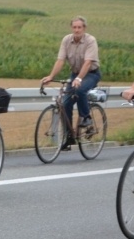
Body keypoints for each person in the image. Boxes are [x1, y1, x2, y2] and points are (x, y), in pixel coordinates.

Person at [40, 16, 101, 150]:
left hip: (91, 74)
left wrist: (79, 79)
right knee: (65, 104)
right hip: (75, 73)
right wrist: (51, 76)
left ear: (84, 28)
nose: (77, 30)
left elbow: (88, 62)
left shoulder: (90, 40)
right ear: (71, 28)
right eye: (74, 27)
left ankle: (86, 118)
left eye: (79, 27)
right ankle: (69, 137)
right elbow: (61, 60)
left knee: (80, 90)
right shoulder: (67, 40)